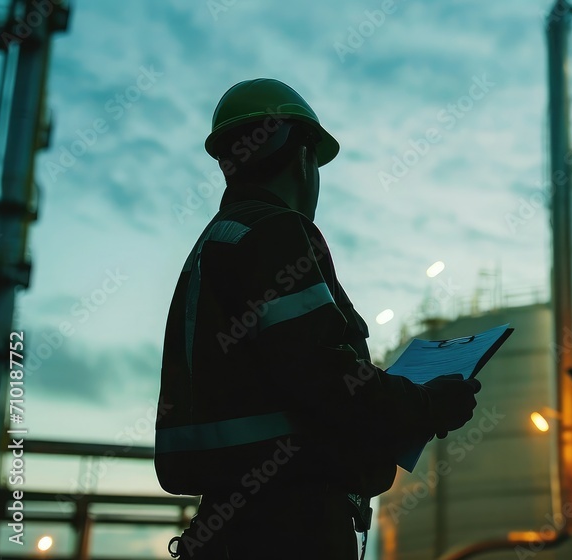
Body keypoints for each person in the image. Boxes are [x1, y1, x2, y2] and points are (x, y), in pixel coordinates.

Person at [154, 78, 481, 559]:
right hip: (289, 525)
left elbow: (292, 369)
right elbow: (322, 375)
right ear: (304, 154)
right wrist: (428, 403)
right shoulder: (274, 231)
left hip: (231, 522)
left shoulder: (216, 243)